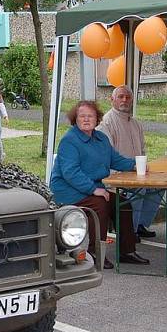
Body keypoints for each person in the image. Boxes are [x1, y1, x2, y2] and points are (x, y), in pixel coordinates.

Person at [50, 100, 150, 269]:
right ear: (75, 119)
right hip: (68, 190)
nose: (86, 119)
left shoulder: (101, 138)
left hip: (91, 188)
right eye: (82, 116)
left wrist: (134, 165)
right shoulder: (70, 140)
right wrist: (93, 189)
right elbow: (70, 173)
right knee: (100, 205)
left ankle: (127, 251)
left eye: (90, 116)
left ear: (97, 119)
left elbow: (115, 159)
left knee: (122, 203)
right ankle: (95, 253)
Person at [96, 85, 162, 242]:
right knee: (139, 188)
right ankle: (129, 232)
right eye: (121, 97)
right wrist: (127, 169)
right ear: (112, 99)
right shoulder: (106, 123)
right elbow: (108, 156)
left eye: (127, 97)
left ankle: (140, 224)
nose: (124, 100)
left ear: (132, 100)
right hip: (116, 176)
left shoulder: (135, 123)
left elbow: (142, 150)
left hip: (136, 172)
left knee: (158, 186)